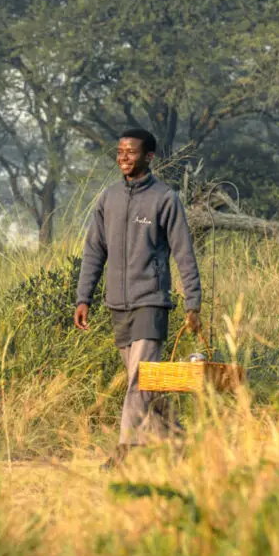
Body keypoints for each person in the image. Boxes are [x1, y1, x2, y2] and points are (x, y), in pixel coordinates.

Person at [73, 128, 202, 469]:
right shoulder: (108, 199)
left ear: (148, 156)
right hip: (117, 305)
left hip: (151, 302)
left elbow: (183, 252)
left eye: (130, 152)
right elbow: (93, 252)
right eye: (119, 152)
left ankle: (126, 452)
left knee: (138, 381)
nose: (123, 158)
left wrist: (193, 302)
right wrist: (83, 298)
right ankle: (179, 444)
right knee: (149, 385)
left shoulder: (164, 198)